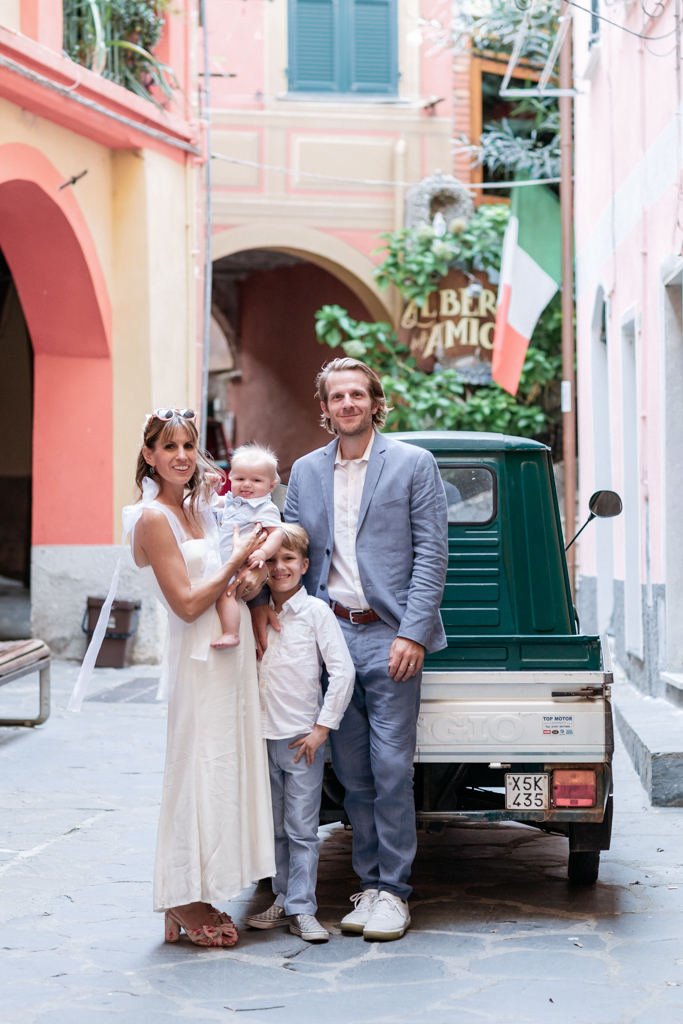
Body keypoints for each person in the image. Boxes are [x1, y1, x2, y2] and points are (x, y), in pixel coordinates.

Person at [252, 359, 448, 942]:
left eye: (357, 394)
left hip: (390, 635)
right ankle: (368, 884)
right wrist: (267, 602)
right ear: (325, 407)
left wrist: (413, 631)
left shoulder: (414, 463)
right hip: (326, 633)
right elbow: (284, 549)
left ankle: (395, 892)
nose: (347, 404)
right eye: (336, 396)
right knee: (354, 772)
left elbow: (432, 555)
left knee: (391, 769)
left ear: (375, 401)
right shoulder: (307, 472)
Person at [78, 409, 276, 948]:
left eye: (189, 445)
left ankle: (202, 884)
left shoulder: (200, 510)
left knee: (221, 772)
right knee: (193, 771)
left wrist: (250, 569)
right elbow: (188, 604)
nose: (183, 456)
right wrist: (235, 558)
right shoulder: (151, 519)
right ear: (149, 456)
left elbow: (229, 572)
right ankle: (180, 893)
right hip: (197, 657)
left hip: (229, 660)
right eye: (169, 447)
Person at [244, 524, 355, 943]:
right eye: (271, 560)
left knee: (302, 830)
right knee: (273, 828)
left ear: (305, 565)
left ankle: (304, 909)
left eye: (288, 559)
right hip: (261, 738)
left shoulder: (316, 614)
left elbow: (342, 672)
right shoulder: (255, 611)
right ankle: (283, 898)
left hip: (300, 740)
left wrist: (322, 728)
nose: (279, 567)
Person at [212, 443, 283, 649]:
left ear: (271, 486)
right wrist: (209, 487)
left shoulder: (265, 508)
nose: (246, 485)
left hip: (239, 565)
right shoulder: (230, 501)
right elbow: (205, 503)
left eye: (256, 480)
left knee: (226, 594)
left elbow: (276, 533)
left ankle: (231, 633)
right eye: (240, 479)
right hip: (220, 560)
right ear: (231, 478)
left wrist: (262, 552)